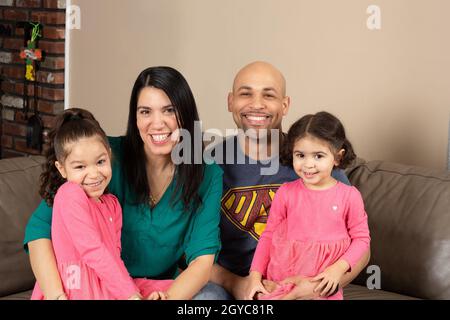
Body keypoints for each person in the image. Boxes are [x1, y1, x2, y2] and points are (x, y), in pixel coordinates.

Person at [24, 66, 223, 300]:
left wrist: (166, 298)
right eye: (145, 112)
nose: (157, 123)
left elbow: (202, 261)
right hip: (92, 287)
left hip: (153, 289)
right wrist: (56, 295)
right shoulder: (100, 160)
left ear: (186, 114)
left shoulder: (207, 174)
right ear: (135, 117)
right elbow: (40, 229)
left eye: (169, 110)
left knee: (212, 296)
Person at [205, 61, 370, 300]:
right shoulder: (209, 165)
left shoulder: (319, 164)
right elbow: (191, 252)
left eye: (268, 95)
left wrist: (316, 289)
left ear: (285, 105)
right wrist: (237, 285)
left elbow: (362, 248)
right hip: (229, 283)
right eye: (245, 93)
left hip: (300, 284)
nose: (257, 104)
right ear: (230, 101)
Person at [31, 108, 172, 300]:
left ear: (109, 155)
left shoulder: (112, 204)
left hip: (100, 284)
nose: (94, 173)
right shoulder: (69, 195)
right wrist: (130, 295)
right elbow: (93, 250)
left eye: (100, 162)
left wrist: (134, 292)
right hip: (74, 287)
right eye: (80, 166)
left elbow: (114, 259)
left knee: (171, 287)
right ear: (62, 169)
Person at [246, 111, 371, 300]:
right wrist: (255, 277)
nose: (308, 164)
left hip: (321, 287)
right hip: (279, 283)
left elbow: (361, 239)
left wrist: (338, 270)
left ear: (337, 157)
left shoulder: (349, 196)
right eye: (301, 155)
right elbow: (268, 235)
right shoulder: (286, 192)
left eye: (318, 156)